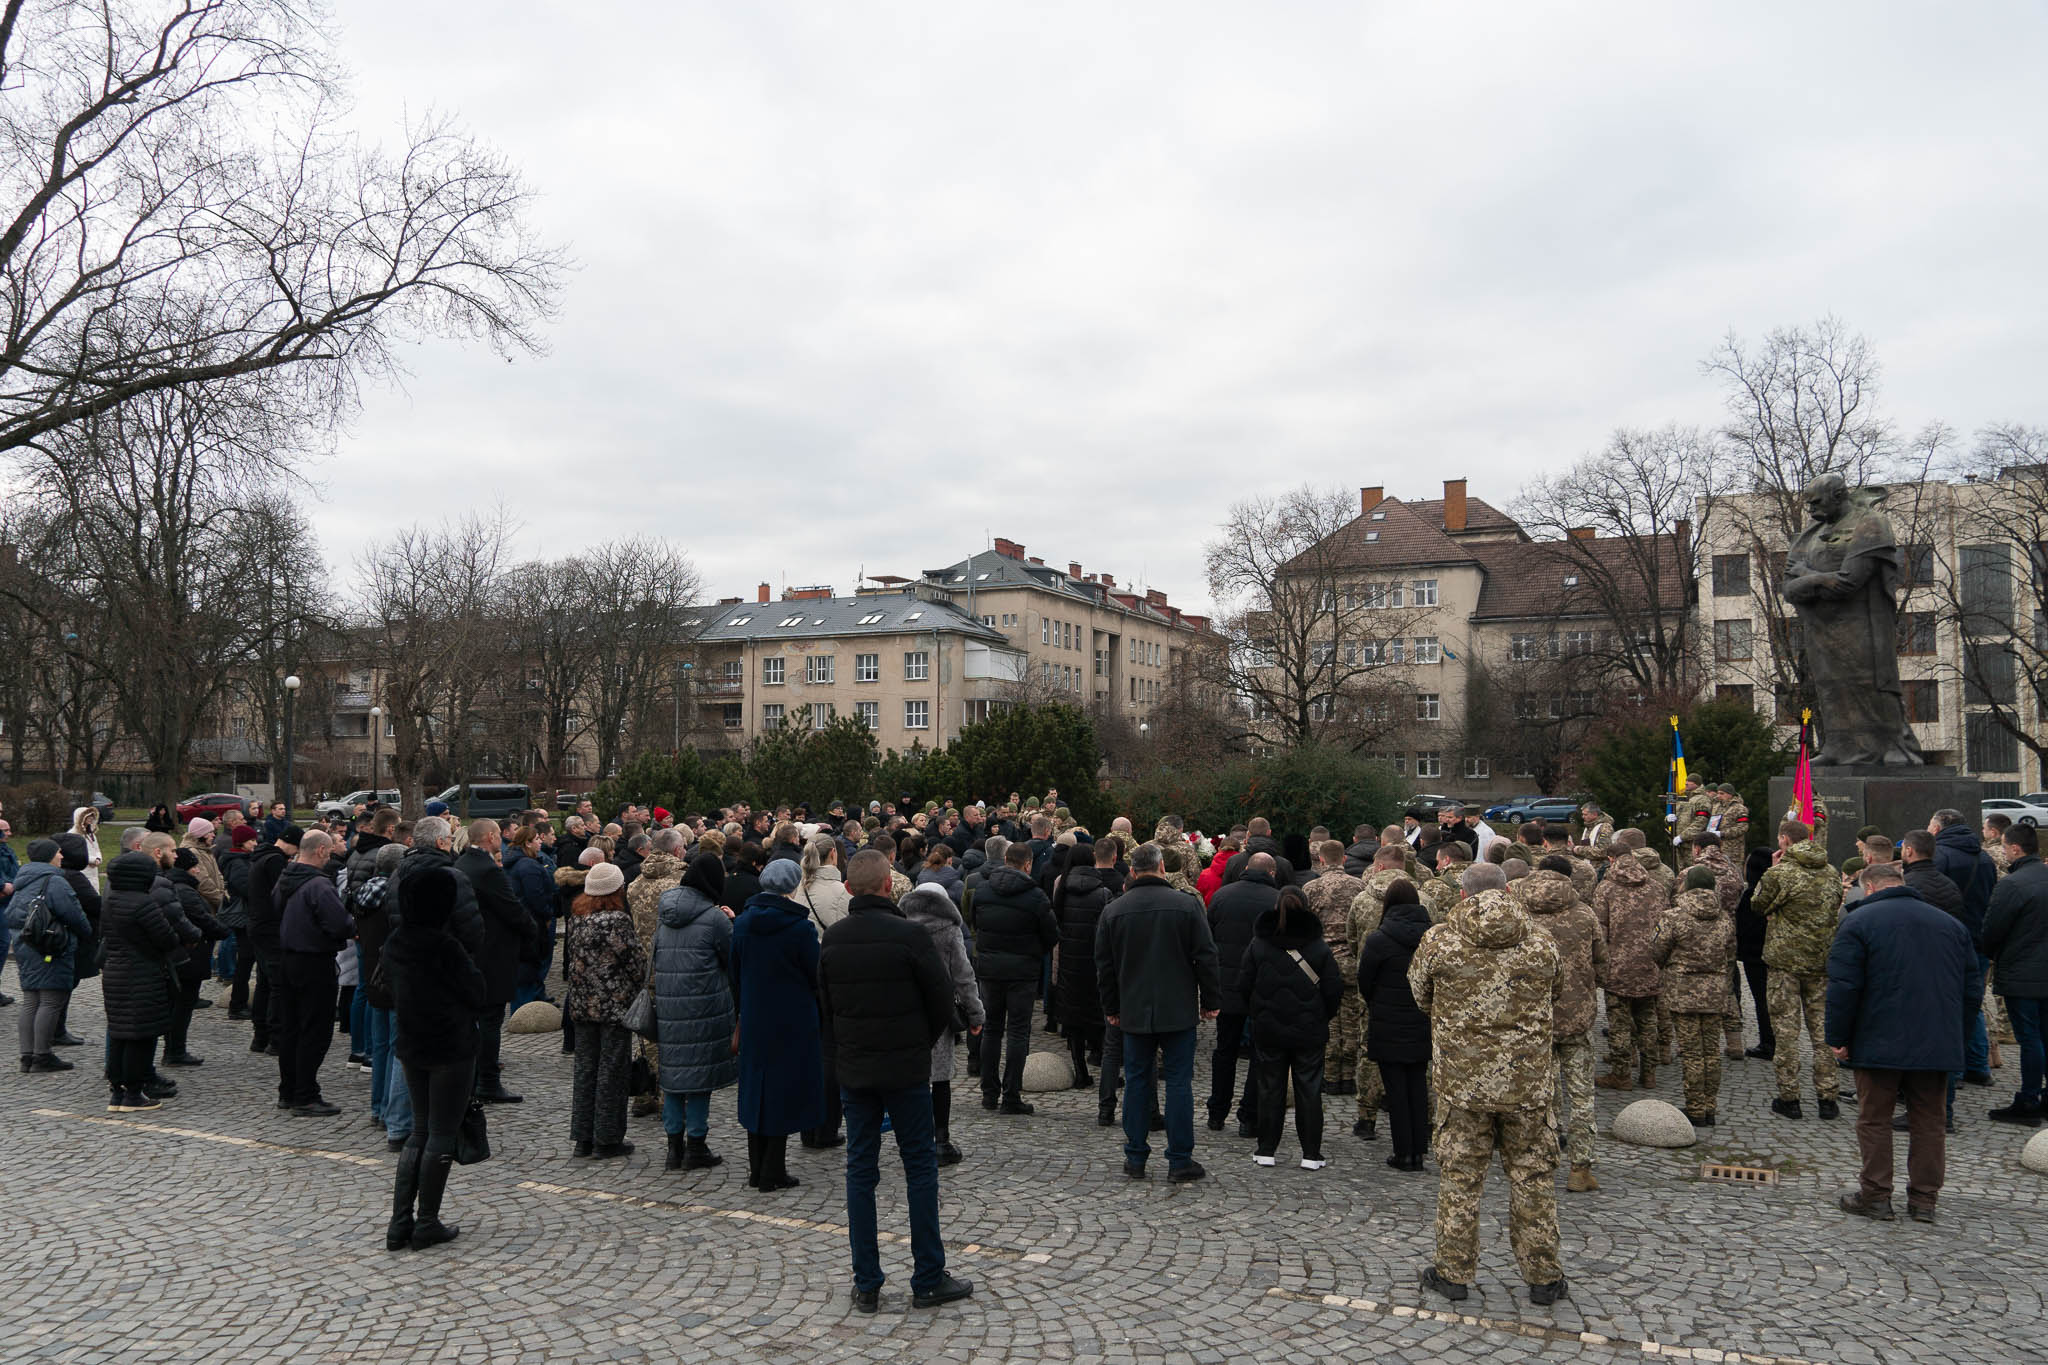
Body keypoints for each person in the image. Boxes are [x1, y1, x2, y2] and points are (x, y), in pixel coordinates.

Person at [816, 849, 972, 1311]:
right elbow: (942, 1002)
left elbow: (825, 1006)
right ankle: (927, 1275)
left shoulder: (834, 939)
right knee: (919, 1167)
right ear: (889, 886)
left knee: (861, 1171)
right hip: (904, 1068)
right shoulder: (910, 936)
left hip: (858, 1068)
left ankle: (867, 1281)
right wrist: (918, 1042)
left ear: (848, 889)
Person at [1410, 863, 1566, 1307]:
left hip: (1462, 1083)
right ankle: (1543, 1277)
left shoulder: (1439, 940)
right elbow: (1558, 992)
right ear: (1509, 890)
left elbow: (1420, 994)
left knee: (1460, 1177)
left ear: (1463, 894)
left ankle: (1453, 1272)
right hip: (1528, 1083)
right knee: (1533, 1177)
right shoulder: (1540, 941)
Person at [1096, 842, 1223, 1183]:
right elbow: (1206, 956)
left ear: (1133, 871)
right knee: (1179, 1083)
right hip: (1177, 1007)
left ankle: (1136, 1156)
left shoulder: (1114, 910)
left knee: (1137, 1081)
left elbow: (1104, 966)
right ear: (1163, 868)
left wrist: (1111, 1008)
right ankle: (1179, 1159)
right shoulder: (1186, 905)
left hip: (1134, 1008)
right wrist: (1211, 1000)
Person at [380, 864, 484, 1250]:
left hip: (412, 1042)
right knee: (440, 1133)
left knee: (419, 1131)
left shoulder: (396, 941)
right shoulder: (445, 946)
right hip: (450, 1045)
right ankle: (426, 1221)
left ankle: (399, 1221)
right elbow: (477, 992)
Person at [731, 858, 825, 1189]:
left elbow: (735, 973)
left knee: (757, 1087)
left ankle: (759, 1167)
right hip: (793, 1017)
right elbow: (815, 975)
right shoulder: (799, 928)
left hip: (756, 1014)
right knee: (783, 1089)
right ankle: (772, 1169)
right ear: (792, 886)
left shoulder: (742, 923)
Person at [1237, 883, 1343, 1170]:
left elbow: (1243, 984)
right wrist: (1322, 1015)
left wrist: (1258, 1012)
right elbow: (1334, 987)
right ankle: (1310, 1153)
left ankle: (1266, 1149)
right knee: (1309, 1089)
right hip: (1309, 1028)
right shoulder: (1318, 947)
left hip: (1269, 1027)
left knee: (1270, 1087)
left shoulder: (1259, 945)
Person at [1518, 854, 1606, 1192]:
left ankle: (1543, 1160)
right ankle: (1580, 1168)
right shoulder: (1584, 915)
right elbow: (1602, 962)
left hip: (1533, 1017)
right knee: (1582, 1096)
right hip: (1577, 1016)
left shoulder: (1521, 915)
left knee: (1542, 1093)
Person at [652, 852, 739, 1171]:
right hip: (705, 1006)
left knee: (674, 1077)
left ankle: (673, 1147)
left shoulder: (666, 911)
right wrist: (731, 922)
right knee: (700, 1077)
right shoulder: (714, 917)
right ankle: (696, 1145)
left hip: (669, 1004)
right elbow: (732, 957)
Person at [1753, 820, 1844, 1121]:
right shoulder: (1831, 872)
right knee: (1822, 1034)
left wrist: (1771, 871)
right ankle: (1828, 1099)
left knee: (1787, 1032)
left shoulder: (1780, 873)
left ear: (1784, 840)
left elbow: (1757, 904)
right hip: (1820, 962)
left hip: (1785, 963)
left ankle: (1789, 1098)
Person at [100, 848, 193, 1112]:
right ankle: (133, 1093)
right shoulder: (143, 903)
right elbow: (167, 938)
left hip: (115, 972)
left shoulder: (110, 899)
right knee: (141, 1036)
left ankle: (117, 1092)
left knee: (120, 1033)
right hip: (142, 974)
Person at [970, 840, 1057, 1116]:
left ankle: (988, 1092)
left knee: (992, 1029)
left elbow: (974, 922)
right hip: (1022, 971)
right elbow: (1051, 935)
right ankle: (1011, 1095)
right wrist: (1032, 953)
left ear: (1006, 860)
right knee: (1018, 1032)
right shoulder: (1036, 896)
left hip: (990, 969)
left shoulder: (982, 889)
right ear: (1028, 864)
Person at [900, 881, 983, 1166]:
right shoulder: (949, 931)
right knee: (940, 1078)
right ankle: (941, 1140)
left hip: (908, 1012)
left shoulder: (902, 929)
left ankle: (916, 1138)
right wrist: (975, 1014)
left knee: (914, 1079)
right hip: (940, 1013)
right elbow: (963, 975)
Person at [565, 860, 643, 1158]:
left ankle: (583, 1137)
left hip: (583, 1005)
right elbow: (633, 962)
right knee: (612, 1071)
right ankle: (607, 1139)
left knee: (586, 1070)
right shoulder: (616, 921)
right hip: (613, 1006)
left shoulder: (577, 919)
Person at [457, 819, 536, 1105]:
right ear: (491, 837)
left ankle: (474, 1077)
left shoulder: (463, 863)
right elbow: (512, 908)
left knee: (476, 1019)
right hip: (492, 954)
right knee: (490, 1019)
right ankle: (488, 1081)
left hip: (473, 951)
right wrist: (533, 932)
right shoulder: (488, 869)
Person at [1359, 880, 1434, 1171]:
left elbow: (1365, 980)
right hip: (1422, 1018)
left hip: (1388, 1019)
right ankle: (1418, 1149)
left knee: (1396, 1090)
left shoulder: (1379, 939)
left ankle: (1404, 1152)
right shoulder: (1432, 937)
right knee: (1417, 1084)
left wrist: (1378, 1002)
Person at [275, 829, 350, 1116]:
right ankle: (305, 1094)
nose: (330, 857)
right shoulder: (319, 885)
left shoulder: (285, 878)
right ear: (320, 850)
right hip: (314, 961)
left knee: (292, 1027)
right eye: (329, 852)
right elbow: (340, 924)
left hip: (288, 959)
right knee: (314, 1031)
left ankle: (288, 1089)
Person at [1652, 866, 1735, 1127]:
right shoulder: (1724, 919)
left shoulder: (1673, 916)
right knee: (1711, 1051)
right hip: (1715, 990)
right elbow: (1731, 955)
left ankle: (1695, 1107)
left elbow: (1657, 951)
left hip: (1683, 990)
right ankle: (1710, 1106)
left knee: (1691, 1052)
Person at [1204, 851, 1280, 1136]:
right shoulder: (1276, 901)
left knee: (1225, 1050)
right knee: (1260, 1054)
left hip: (1228, 985)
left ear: (1246, 868)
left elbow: (1208, 940)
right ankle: (1250, 1116)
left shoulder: (1223, 896)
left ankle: (1216, 1111)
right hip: (1264, 988)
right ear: (1272, 873)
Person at [1982, 822, 2048, 1126]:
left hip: (2023, 974)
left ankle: (2029, 1099)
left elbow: (1993, 929)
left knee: (2030, 1038)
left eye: (2006, 847)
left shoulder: (2012, 883)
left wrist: (1993, 953)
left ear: (2015, 848)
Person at [9, 839, 91, 1074]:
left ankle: (27, 1056)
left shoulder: (22, 879)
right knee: (52, 999)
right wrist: (86, 934)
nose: (61, 857)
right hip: (51, 945)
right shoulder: (54, 880)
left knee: (31, 999)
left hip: (25, 944)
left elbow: (13, 913)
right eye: (57, 853)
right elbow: (74, 914)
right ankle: (42, 1056)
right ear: (49, 856)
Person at [1593, 833, 1666, 1092]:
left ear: (1611, 860)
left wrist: (1599, 964)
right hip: (1650, 962)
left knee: (1619, 1022)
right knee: (1648, 1018)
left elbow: (1600, 930)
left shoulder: (1607, 888)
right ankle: (1649, 1073)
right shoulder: (1655, 887)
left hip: (1619, 964)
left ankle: (1621, 1073)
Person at [1054, 839, 1122, 1091]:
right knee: (1100, 1019)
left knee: (1073, 1020)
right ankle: (1109, 1075)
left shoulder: (1062, 890)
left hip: (1069, 962)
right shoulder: (1103, 893)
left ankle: (1080, 1072)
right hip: (1096, 963)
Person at [1303, 841, 1368, 1102]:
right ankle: (1348, 1076)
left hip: (1321, 960)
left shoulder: (1311, 888)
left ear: (1320, 859)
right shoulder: (1359, 886)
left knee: (1325, 1018)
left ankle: (1329, 1075)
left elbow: (1306, 927)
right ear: (1343, 859)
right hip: (1351, 959)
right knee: (1352, 1018)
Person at [244, 824, 296, 1055]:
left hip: (257, 924)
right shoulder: (275, 861)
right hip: (269, 926)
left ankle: (260, 1036)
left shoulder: (261, 856)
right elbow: (281, 892)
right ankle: (276, 1038)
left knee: (265, 982)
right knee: (277, 983)